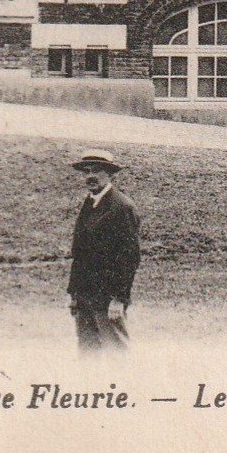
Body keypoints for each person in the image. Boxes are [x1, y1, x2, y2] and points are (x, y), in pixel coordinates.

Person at [67, 150, 141, 353]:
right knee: (88, 353)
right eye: (86, 171)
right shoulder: (90, 203)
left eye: (97, 170)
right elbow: (79, 254)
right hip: (84, 295)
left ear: (111, 175)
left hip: (107, 298)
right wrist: (74, 293)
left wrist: (119, 298)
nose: (90, 176)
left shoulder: (122, 207)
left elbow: (129, 258)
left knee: (116, 353)